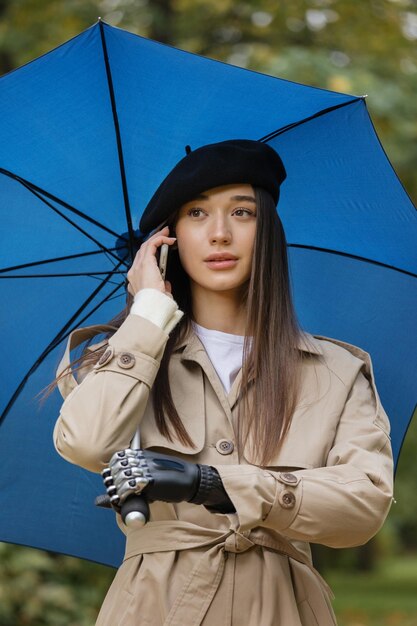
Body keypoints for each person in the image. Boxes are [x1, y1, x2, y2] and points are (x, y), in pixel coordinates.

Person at [53, 139, 394, 626]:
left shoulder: (336, 371)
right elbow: (87, 443)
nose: (219, 234)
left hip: (285, 609)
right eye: (196, 213)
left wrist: (211, 484)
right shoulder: (118, 357)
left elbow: (363, 505)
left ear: (268, 232)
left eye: (242, 212)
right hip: (155, 608)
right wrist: (148, 313)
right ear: (166, 239)